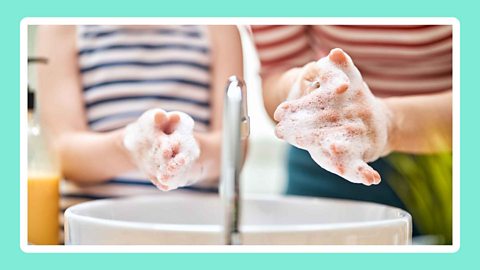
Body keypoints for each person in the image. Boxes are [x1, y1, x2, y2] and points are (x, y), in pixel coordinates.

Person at [250, 25, 452, 232]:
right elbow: (278, 68)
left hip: (449, 161)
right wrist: (299, 87)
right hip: (331, 158)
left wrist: (390, 122)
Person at [36, 25, 243, 212]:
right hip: (93, 232)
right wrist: (129, 147)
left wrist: (191, 154)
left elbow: (236, 147)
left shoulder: (218, 26)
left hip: (195, 234)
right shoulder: (62, 24)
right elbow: (62, 152)